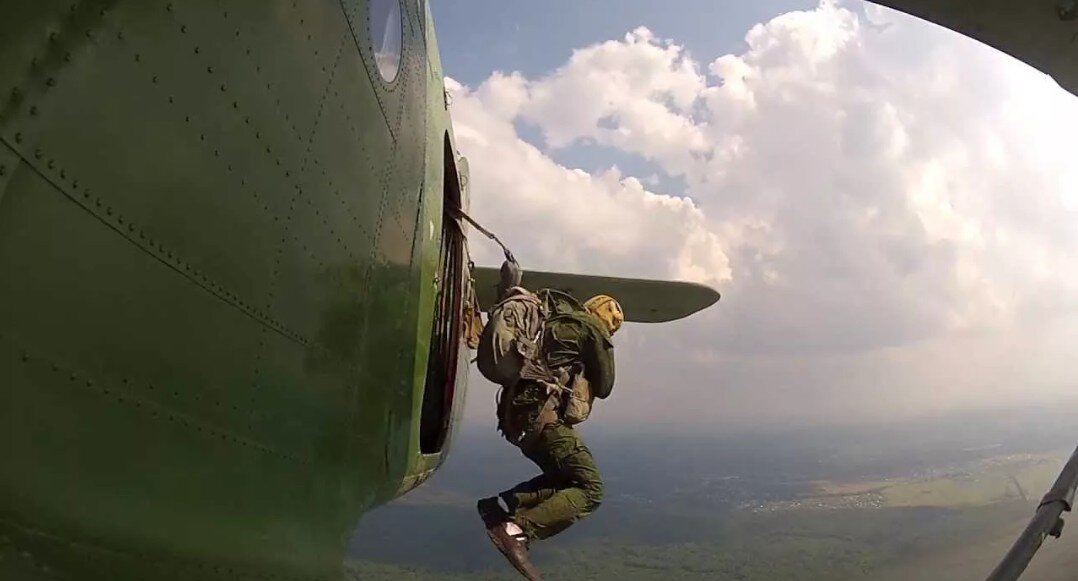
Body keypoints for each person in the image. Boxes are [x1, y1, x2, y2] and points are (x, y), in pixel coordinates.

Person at [478, 292, 624, 580]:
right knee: (590, 489)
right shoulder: (592, 329)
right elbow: (605, 385)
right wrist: (604, 344)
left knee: (565, 482)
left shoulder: (553, 321)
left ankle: (509, 502)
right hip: (542, 419)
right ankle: (516, 530)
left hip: (515, 418)